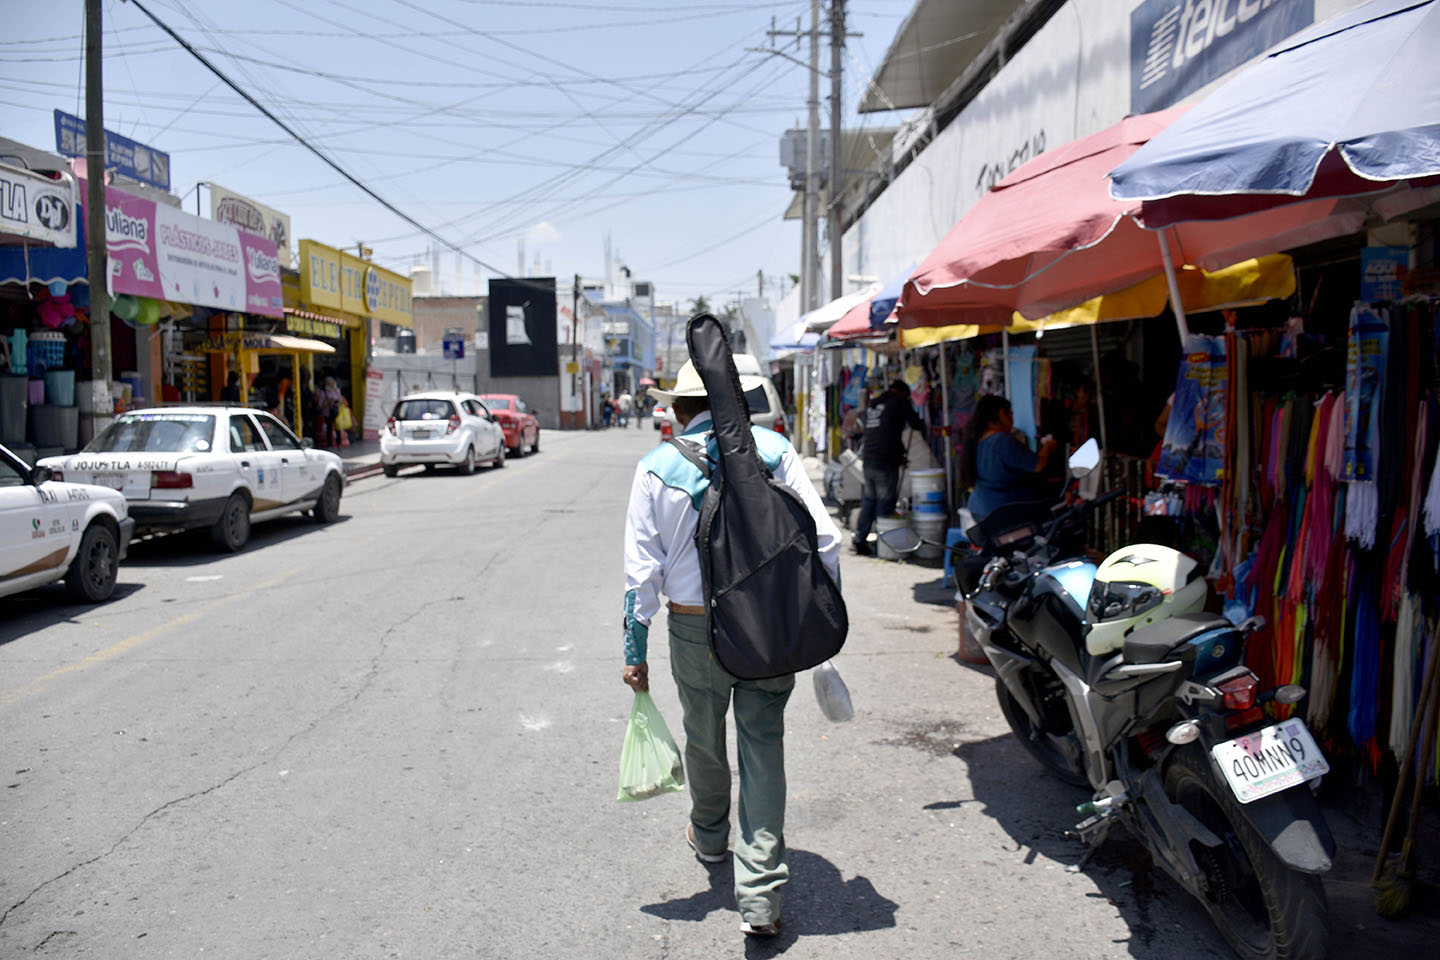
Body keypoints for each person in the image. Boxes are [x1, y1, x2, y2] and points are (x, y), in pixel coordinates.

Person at [621, 357, 841, 938]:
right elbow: (825, 542)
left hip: (694, 631)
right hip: (769, 627)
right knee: (763, 744)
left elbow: (640, 575)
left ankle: (711, 834)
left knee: (703, 734)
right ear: (739, 404)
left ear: (679, 410)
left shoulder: (655, 467)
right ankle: (762, 894)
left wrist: (634, 649)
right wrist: (817, 624)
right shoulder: (774, 451)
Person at [852, 379, 926, 555]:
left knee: (870, 501)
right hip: (884, 461)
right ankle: (883, 544)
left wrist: (900, 454)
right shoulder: (898, 401)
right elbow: (915, 423)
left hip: (869, 458)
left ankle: (860, 539)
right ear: (901, 392)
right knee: (885, 503)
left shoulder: (875, 404)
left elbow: (887, 432)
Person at [961, 394, 1058, 522]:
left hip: (980, 509)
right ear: (1002, 414)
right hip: (1002, 513)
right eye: (1011, 414)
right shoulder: (1002, 441)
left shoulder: (977, 441)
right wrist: (1048, 447)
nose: (1012, 420)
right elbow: (1038, 465)